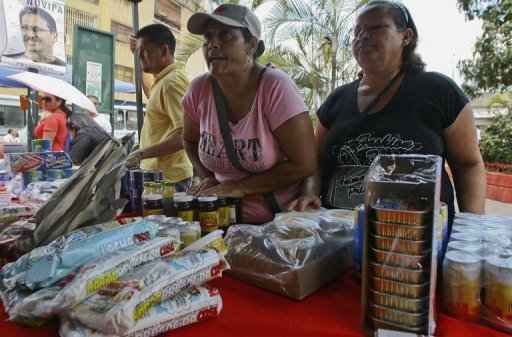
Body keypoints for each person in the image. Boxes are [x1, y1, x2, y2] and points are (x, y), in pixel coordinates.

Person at [286, 0, 486, 232]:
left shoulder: (439, 91)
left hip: (416, 242)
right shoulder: (337, 99)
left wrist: (473, 228)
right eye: (357, 32)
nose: (362, 36)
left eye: (374, 28)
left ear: (406, 36)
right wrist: (310, 193)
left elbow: (467, 164)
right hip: (338, 239)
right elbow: (317, 163)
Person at [182, 4, 317, 224]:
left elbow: (305, 163)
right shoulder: (198, 90)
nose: (212, 45)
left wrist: (241, 187)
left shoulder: (275, 87)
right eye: (208, 37)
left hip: (276, 224)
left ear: (251, 46)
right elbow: (188, 139)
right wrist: (209, 179)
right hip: (221, 220)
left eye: (226, 35)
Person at [124, 24, 193, 192]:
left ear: (163, 50)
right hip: (160, 175)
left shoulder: (172, 83)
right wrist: (138, 57)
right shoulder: (164, 81)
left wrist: (141, 153)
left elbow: (185, 134)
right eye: (139, 52)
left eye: (145, 51)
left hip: (169, 178)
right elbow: (150, 94)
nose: (140, 56)